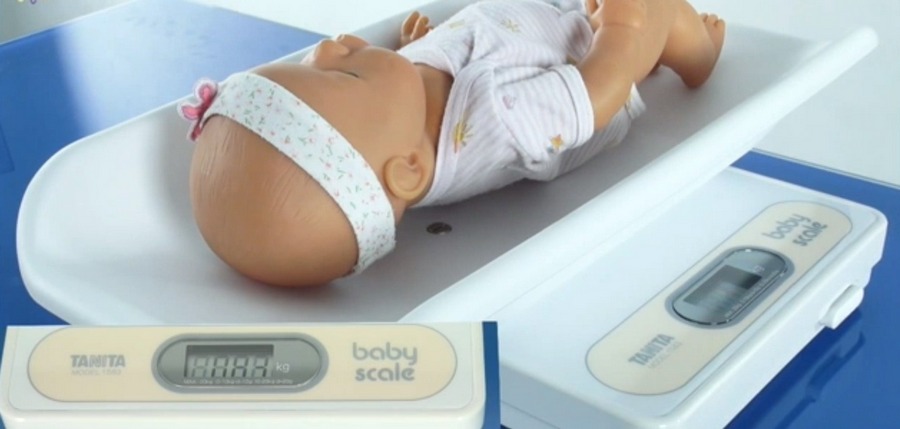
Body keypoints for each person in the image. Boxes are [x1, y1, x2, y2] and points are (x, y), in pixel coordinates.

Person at [180, 0, 725, 287]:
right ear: (410, 170)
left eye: (308, 61)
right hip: (585, 59)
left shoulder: (398, 113)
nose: (324, 48)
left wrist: (420, 49)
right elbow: (596, 94)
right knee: (656, 8)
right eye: (344, 75)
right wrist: (624, 32)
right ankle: (696, 53)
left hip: (533, 29)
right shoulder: (498, 122)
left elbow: (396, 96)